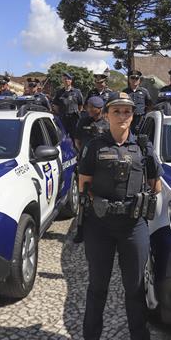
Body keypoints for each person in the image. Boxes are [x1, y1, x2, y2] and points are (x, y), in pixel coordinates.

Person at [75, 92, 162, 340]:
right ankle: (90, 339)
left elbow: (155, 184)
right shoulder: (94, 145)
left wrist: (141, 201)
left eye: (127, 111)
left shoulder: (144, 148)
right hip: (99, 226)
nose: (122, 116)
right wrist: (97, 204)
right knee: (97, 286)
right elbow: (83, 184)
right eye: (117, 111)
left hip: (132, 226)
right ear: (108, 114)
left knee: (135, 288)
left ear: (132, 116)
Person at [72, 96, 109, 244]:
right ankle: (81, 231)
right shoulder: (83, 121)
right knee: (83, 198)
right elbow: (77, 141)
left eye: (90, 107)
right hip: (86, 165)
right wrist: (85, 155)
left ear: (98, 109)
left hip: (102, 166)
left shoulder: (107, 124)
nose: (87, 109)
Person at [52, 72, 84, 138]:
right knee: (63, 137)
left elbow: (80, 105)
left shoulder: (77, 92)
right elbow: (55, 106)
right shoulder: (59, 92)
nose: (66, 80)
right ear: (62, 80)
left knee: (75, 137)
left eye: (68, 79)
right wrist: (61, 113)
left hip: (74, 119)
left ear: (71, 80)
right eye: (64, 79)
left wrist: (77, 112)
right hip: (63, 119)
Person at [123, 70, 153, 134]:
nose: (135, 80)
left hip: (141, 119)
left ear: (139, 80)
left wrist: (146, 116)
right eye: (132, 78)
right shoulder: (124, 92)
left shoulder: (144, 91)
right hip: (128, 119)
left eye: (137, 78)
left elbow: (149, 105)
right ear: (129, 79)